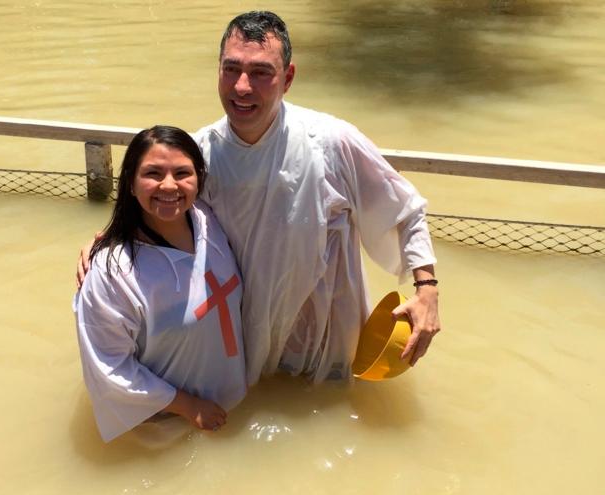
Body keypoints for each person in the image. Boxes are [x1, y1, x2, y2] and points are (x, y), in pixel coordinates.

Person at [77, 11, 441, 386]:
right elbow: (163, 207)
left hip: (325, 334)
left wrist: (426, 289)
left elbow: (405, 211)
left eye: (262, 72)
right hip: (243, 333)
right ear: (217, 70)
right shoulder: (200, 153)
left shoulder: (332, 142)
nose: (242, 87)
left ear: (288, 78)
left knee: (326, 414)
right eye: (231, 69)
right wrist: (111, 236)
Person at [74, 125, 247, 443]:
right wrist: (189, 406)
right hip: (170, 426)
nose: (169, 185)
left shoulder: (210, 219)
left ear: (200, 180)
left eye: (182, 173)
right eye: (153, 173)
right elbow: (109, 367)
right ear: (129, 183)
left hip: (238, 402)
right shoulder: (113, 274)